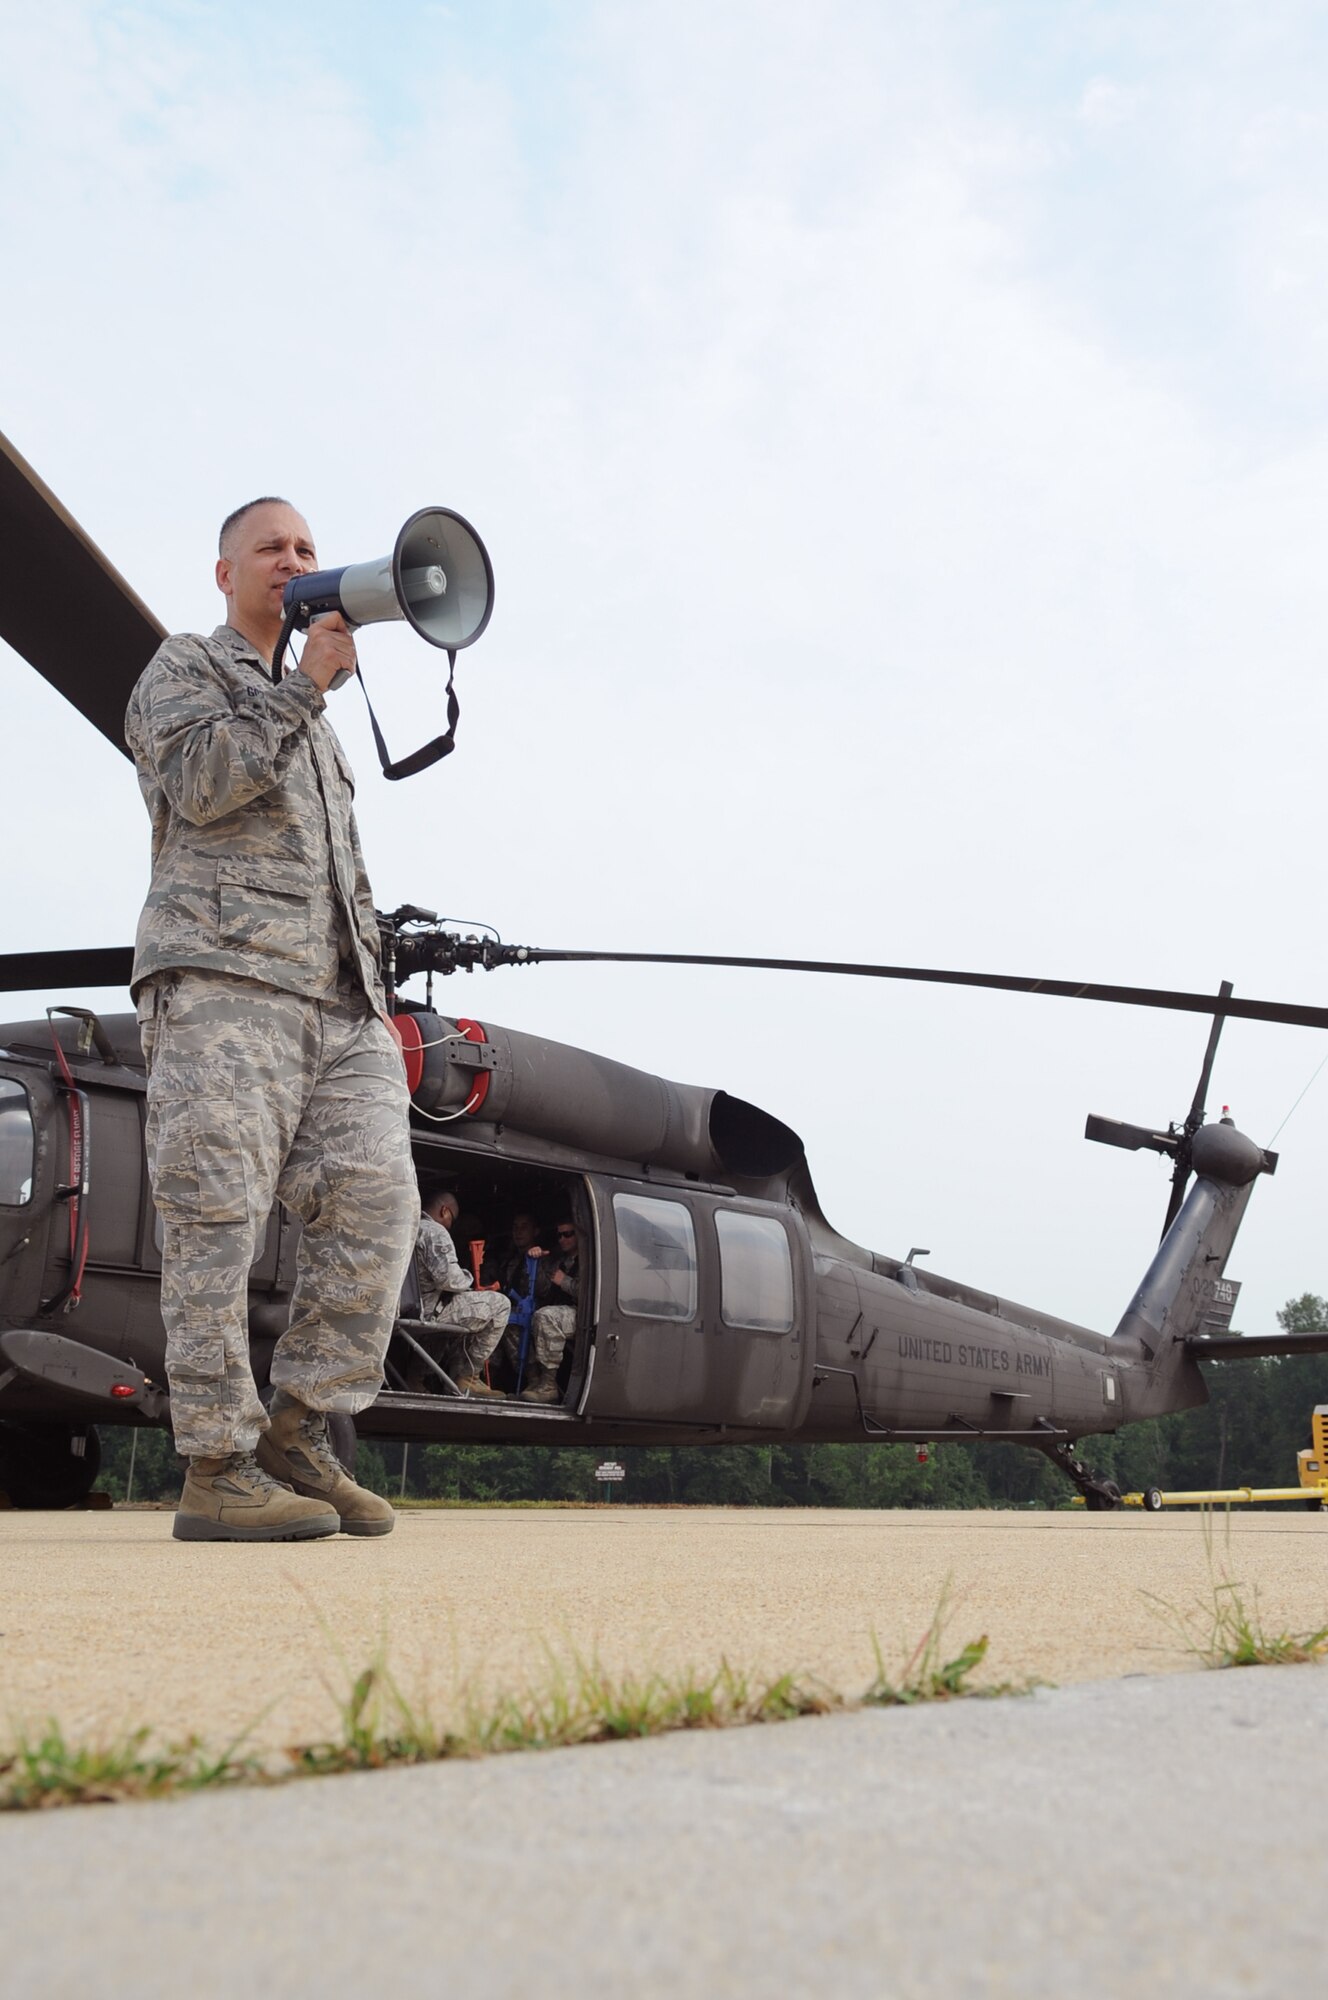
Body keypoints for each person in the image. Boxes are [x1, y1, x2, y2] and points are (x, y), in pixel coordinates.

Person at [126, 497, 418, 1543]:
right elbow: (203, 786)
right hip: (224, 987)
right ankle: (215, 1465)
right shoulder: (184, 669)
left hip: (340, 1005)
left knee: (380, 1215)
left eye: (306, 546)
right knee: (215, 1227)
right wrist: (305, 685)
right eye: (272, 548)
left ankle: (299, 1430)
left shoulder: (319, 721)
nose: (294, 561)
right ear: (226, 573)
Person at [415, 1186, 511, 1397]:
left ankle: (415, 1379)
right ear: (445, 1211)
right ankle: (467, 1378)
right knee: (500, 1305)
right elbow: (448, 1279)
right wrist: (468, 1279)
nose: (451, 1226)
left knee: (445, 1324)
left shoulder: (409, 1228)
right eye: (453, 1219)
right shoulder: (435, 1231)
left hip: (410, 1308)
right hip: (428, 1310)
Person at [517, 1216, 580, 1404]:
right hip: (558, 1309)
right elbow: (541, 1289)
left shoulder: (590, 1260)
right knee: (519, 1318)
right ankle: (534, 1381)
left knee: (546, 1317)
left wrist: (566, 1282)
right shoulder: (559, 1261)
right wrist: (533, 1261)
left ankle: (548, 1385)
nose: (562, 1239)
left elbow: (594, 1293)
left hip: (582, 1313)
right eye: (559, 1235)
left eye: (568, 1234)